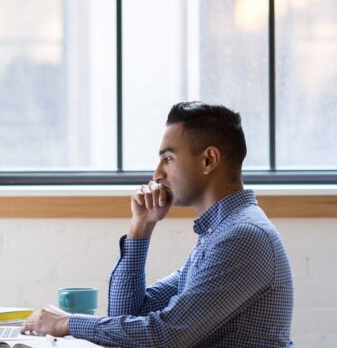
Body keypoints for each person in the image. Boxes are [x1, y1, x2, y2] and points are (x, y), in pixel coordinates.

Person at [23, 101, 294, 347]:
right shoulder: (218, 234)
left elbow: (166, 336)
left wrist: (67, 323)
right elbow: (127, 316)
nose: (157, 174)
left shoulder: (242, 237)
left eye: (168, 158)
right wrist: (141, 226)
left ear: (209, 160)